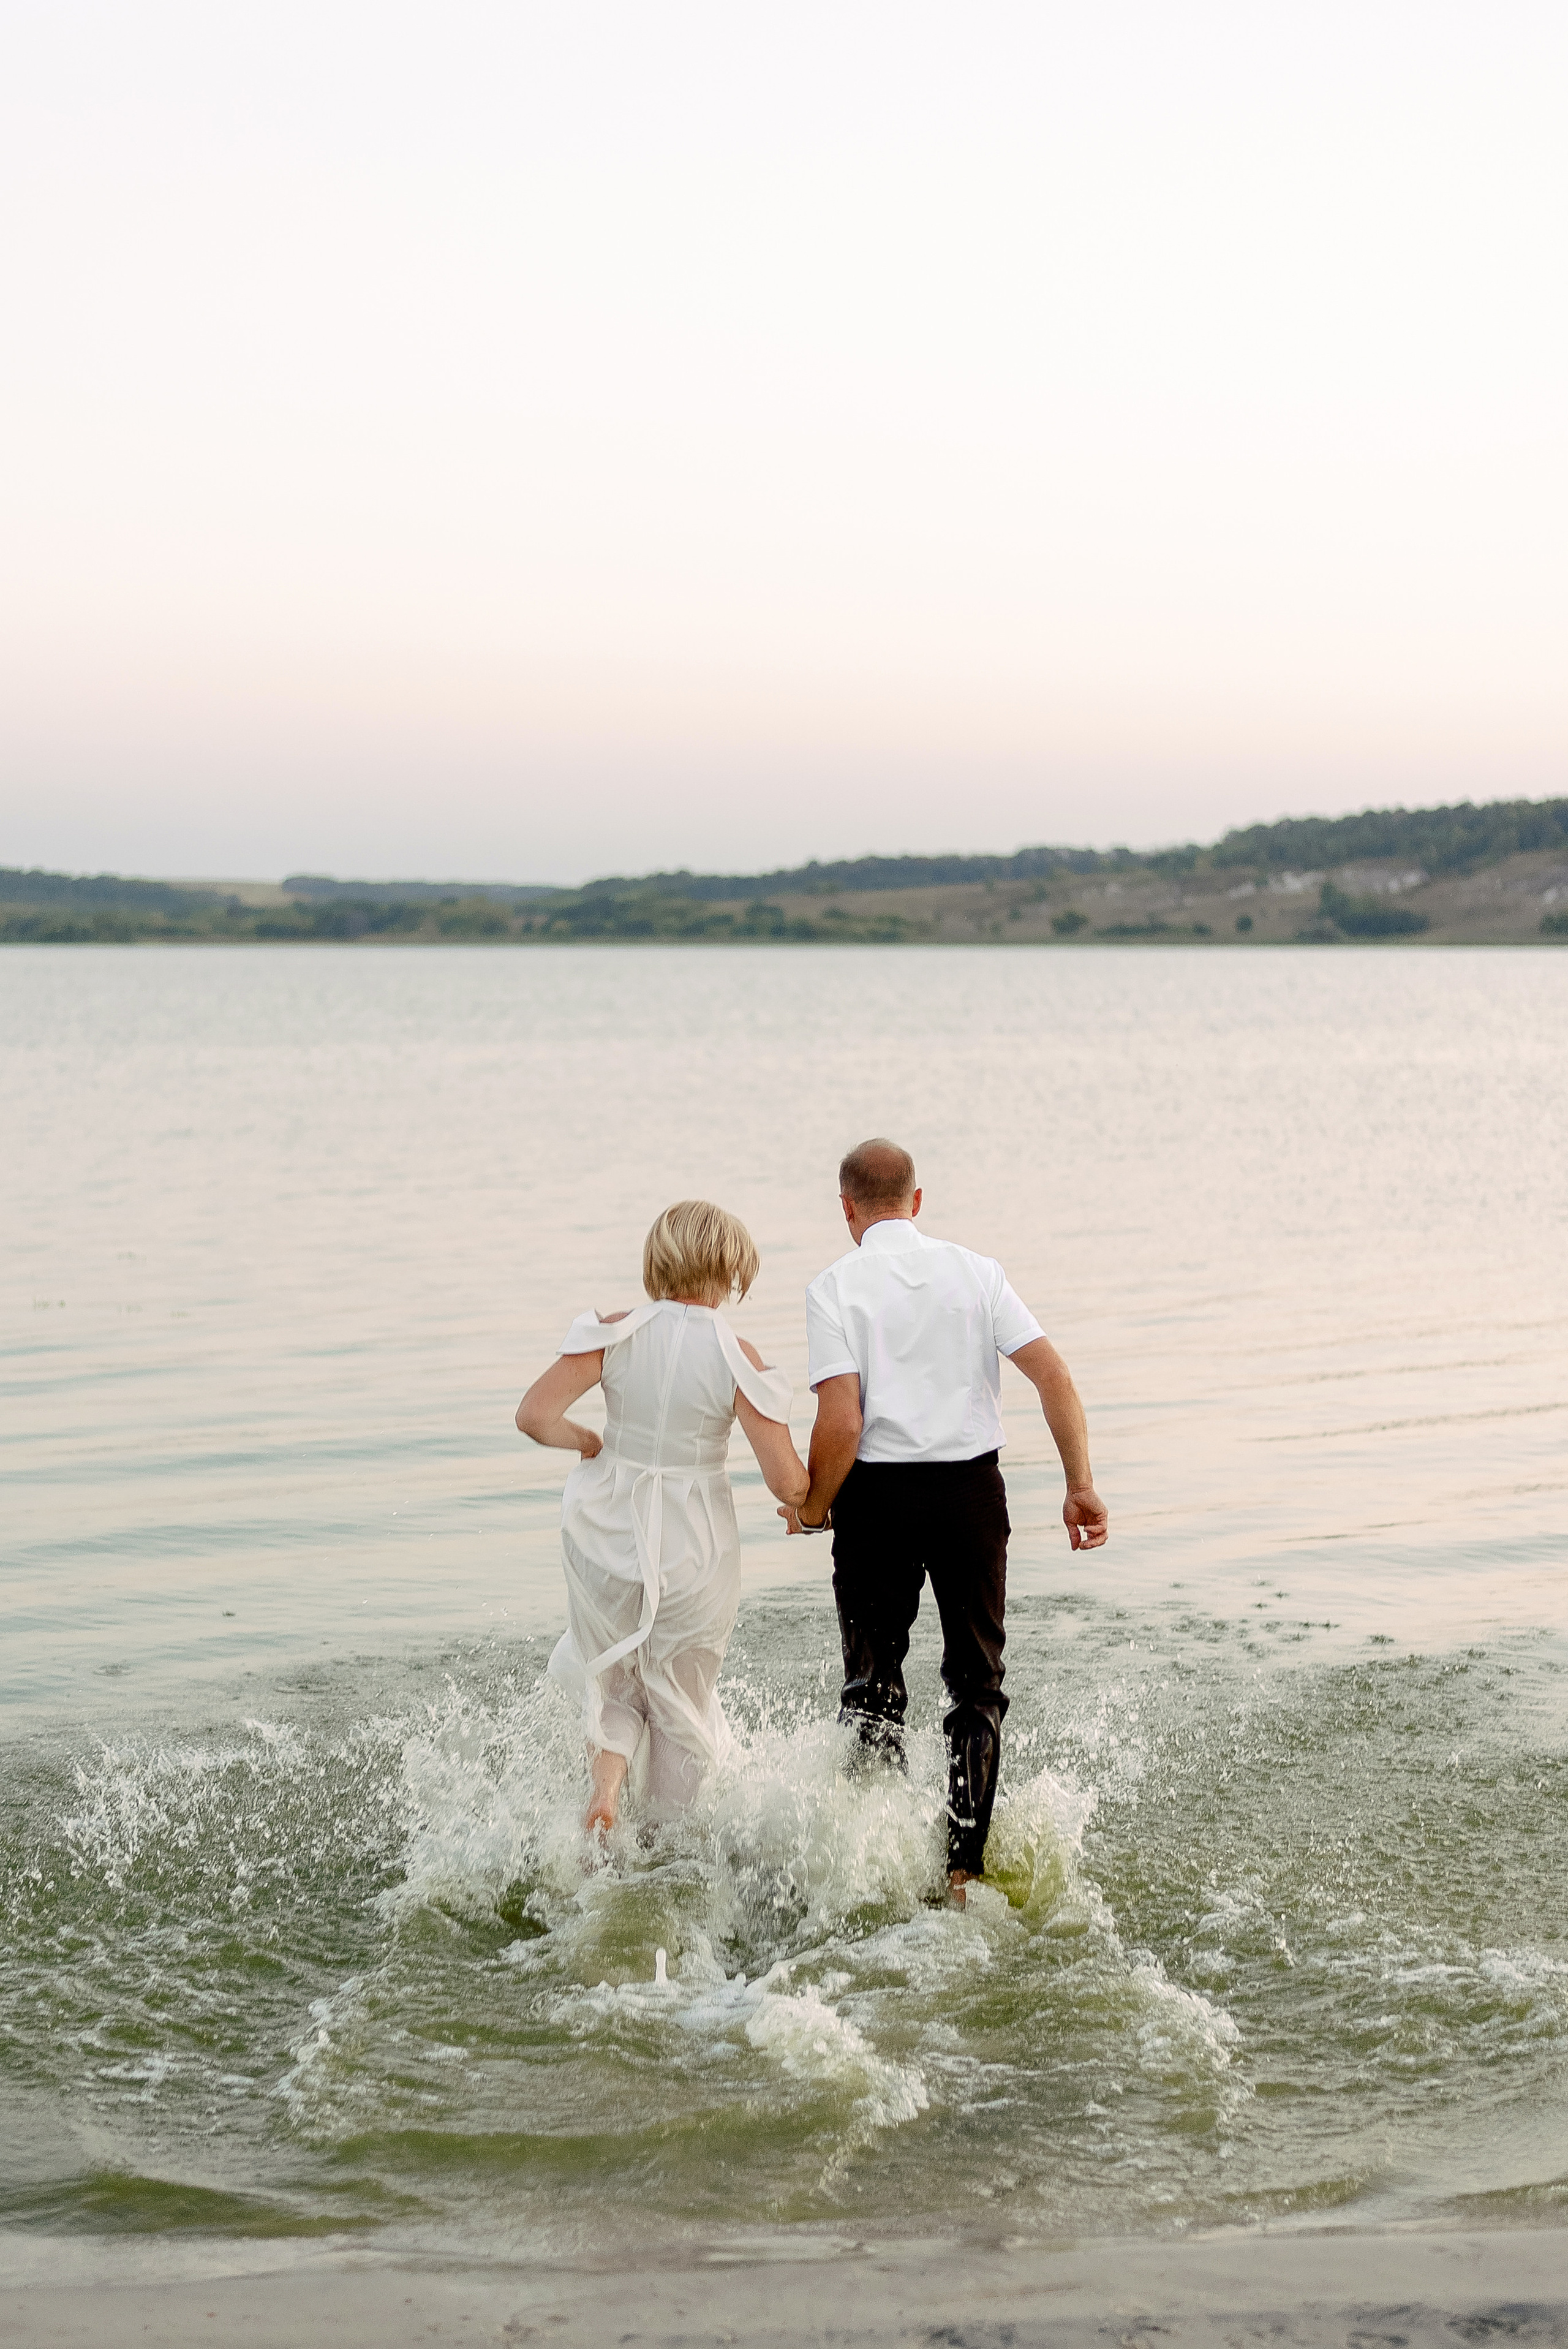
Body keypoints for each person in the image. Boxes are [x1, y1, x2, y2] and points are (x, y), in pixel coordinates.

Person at [779, 1139, 1108, 1902]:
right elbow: (1052, 1373)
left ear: (847, 1208)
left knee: (872, 1686)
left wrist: (814, 1505)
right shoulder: (976, 1272)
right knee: (976, 1681)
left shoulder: (834, 1287)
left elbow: (842, 1419)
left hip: (877, 1504)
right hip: (969, 1497)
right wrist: (1079, 1484)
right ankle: (963, 1869)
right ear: (917, 1201)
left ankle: (880, 1866)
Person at [516, 1199, 808, 1836]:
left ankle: (604, 1796)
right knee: (679, 1700)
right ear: (734, 1269)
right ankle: (666, 1845)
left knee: (616, 1684)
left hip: (607, 1530)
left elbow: (534, 1416)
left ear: (658, 1260)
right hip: (692, 1544)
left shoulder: (616, 1332)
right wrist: (814, 1504)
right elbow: (786, 1481)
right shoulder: (737, 1355)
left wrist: (590, 1443)